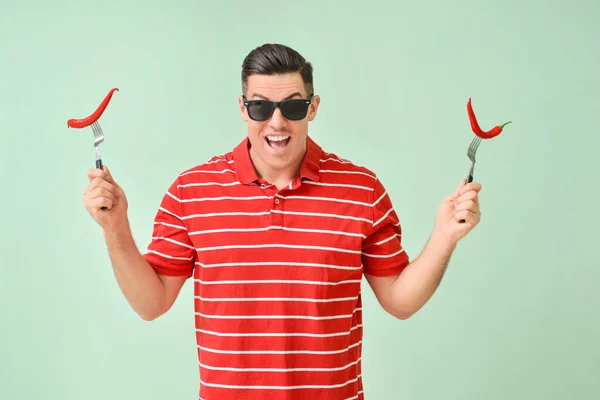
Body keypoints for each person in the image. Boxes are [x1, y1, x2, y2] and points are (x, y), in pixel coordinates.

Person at [83, 43, 482, 400]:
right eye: (260, 106)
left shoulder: (362, 189)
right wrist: (115, 228)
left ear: (313, 107)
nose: (276, 122)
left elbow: (399, 301)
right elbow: (151, 304)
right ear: (242, 108)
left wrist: (445, 236)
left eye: (292, 106)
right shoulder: (192, 190)